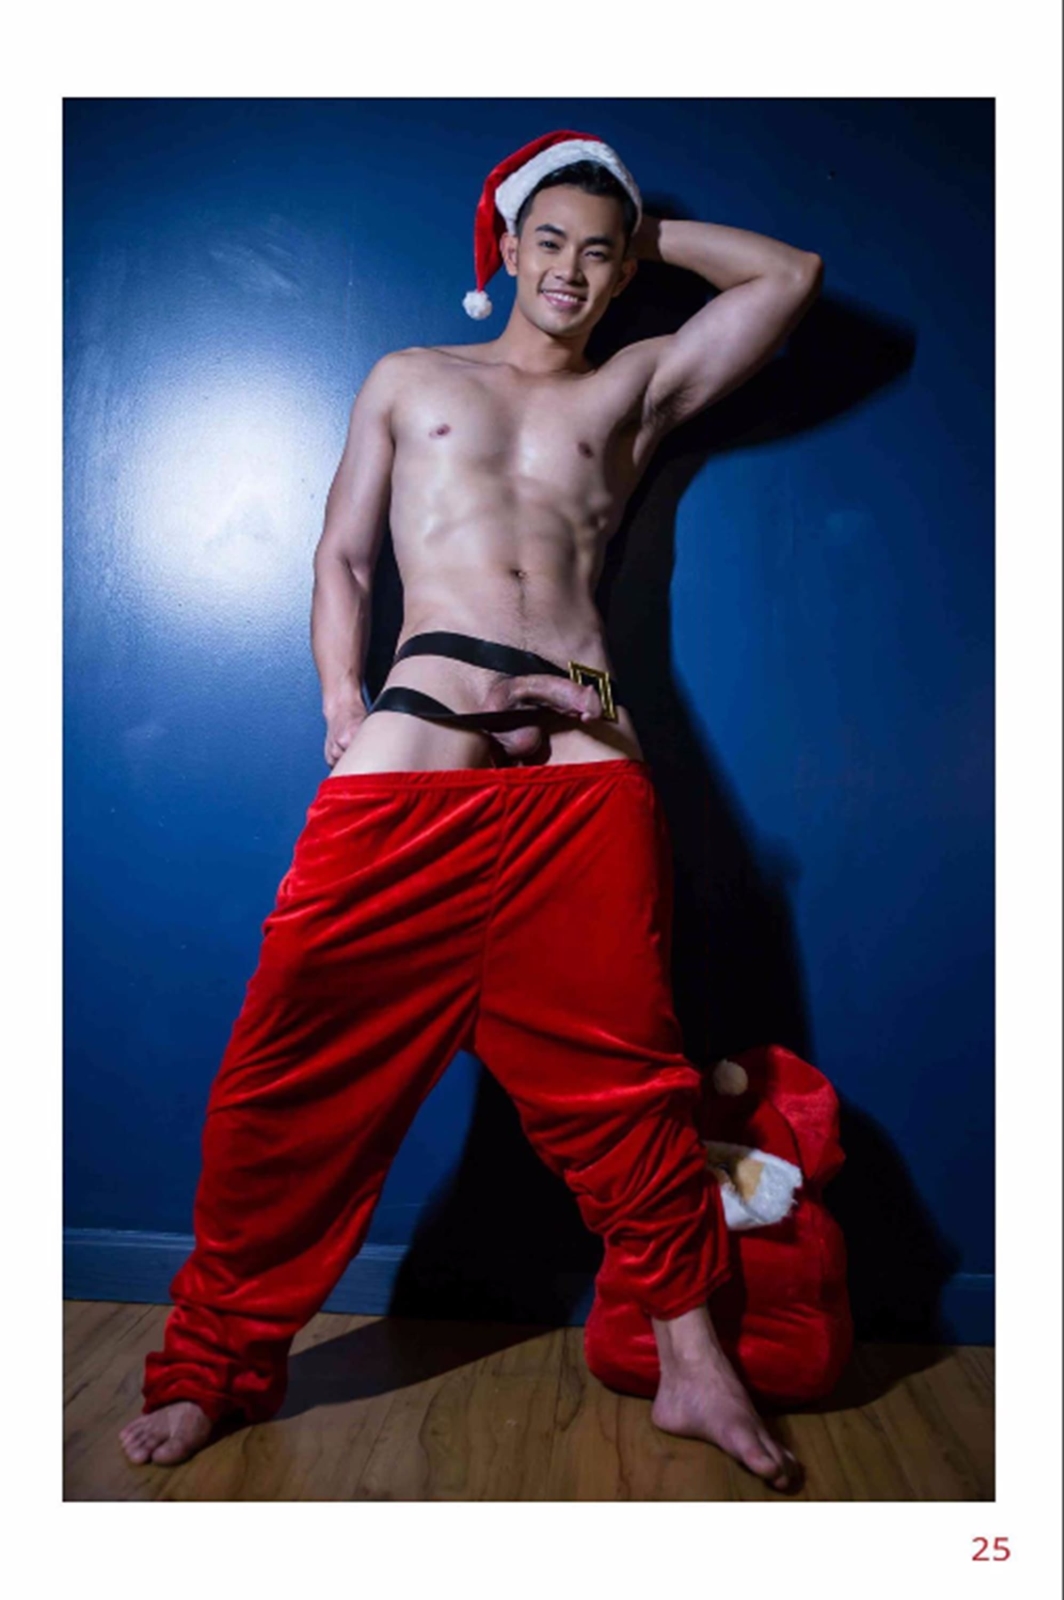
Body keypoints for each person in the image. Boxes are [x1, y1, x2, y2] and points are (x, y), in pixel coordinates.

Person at [119, 129, 822, 1490]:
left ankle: (694, 1367)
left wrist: (636, 233)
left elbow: (789, 278)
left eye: (597, 253)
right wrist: (341, 702)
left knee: (625, 1075)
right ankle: (211, 1368)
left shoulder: (631, 388)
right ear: (502, 246)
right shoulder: (410, 377)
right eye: (548, 241)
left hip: (582, 745)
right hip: (422, 728)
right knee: (290, 1076)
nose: (571, 269)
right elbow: (340, 556)